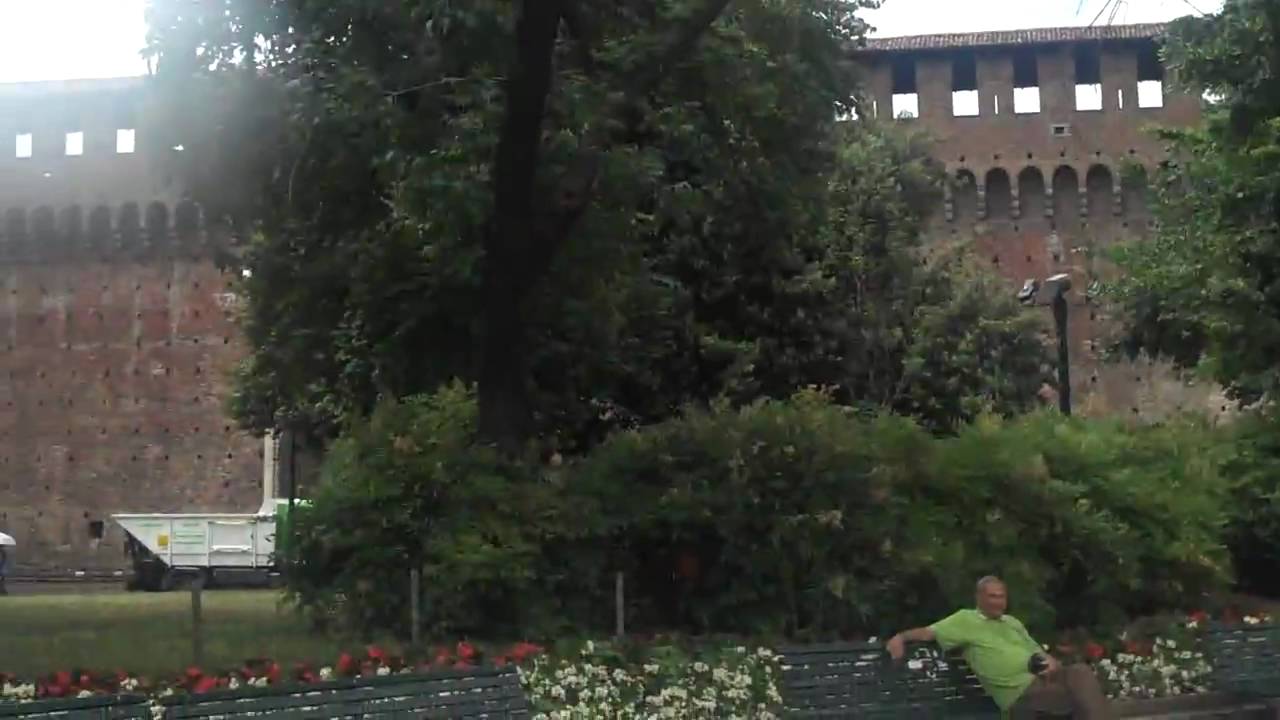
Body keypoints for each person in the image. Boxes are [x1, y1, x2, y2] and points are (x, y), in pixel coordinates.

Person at [885, 576, 1113, 719]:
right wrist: (901, 637)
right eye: (992, 597)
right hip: (1019, 693)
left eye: (1001, 597)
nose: (998, 602)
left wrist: (1050, 663)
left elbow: (1039, 652)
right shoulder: (965, 620)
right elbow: (928, 632)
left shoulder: (1012, 622)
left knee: (1080, 672)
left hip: (1045, 680)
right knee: (1078, 699)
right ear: (979, 598)